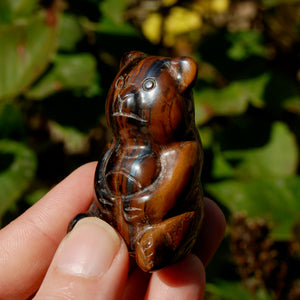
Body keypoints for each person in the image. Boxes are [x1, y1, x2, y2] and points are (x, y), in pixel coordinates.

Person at [0, 162, 226, 300]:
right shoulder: (120, 142)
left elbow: (174, 186)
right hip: (114, 215)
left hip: (147, 225)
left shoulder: (182, 149)